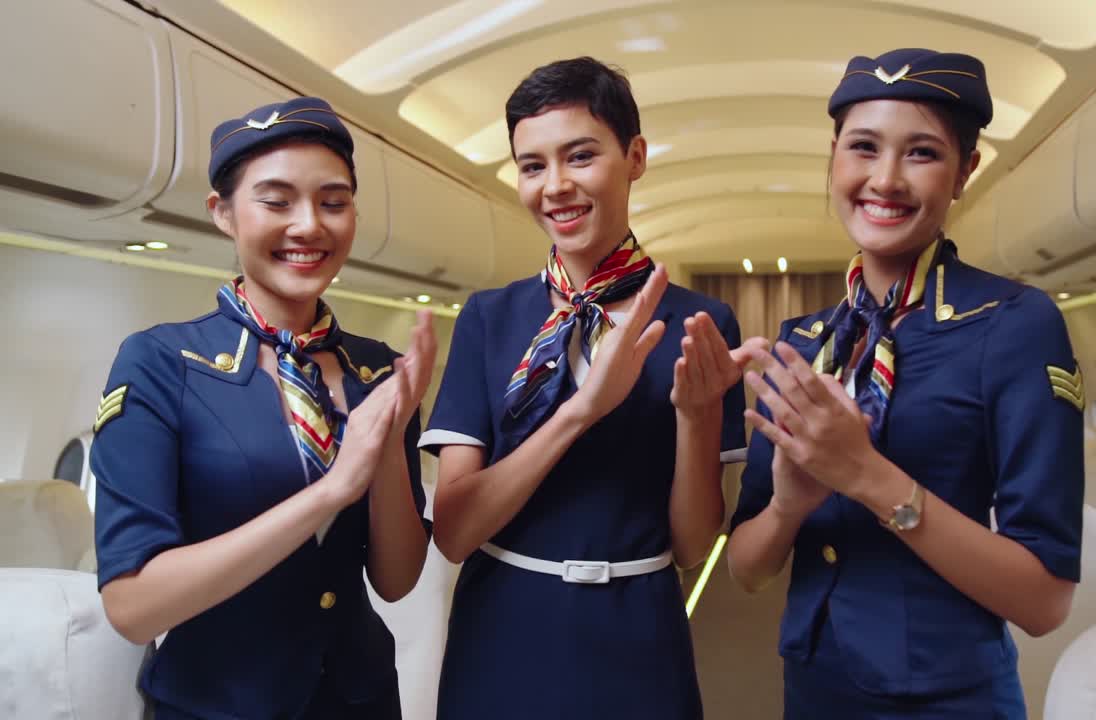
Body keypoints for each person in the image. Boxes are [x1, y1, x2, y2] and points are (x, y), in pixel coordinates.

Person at [726, 48, 1085, 718]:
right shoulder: (805, 343)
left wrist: (865, 475)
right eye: (863, 148)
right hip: (812, 686)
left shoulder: (1013, 326)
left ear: (963, 173)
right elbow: (747, 570)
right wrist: (788, 507)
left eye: (921, 153)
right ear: (834, 157)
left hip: (946, 699)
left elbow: (1044, 602)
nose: (884, 179)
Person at [421, 57, 757, 719]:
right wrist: (581, 412)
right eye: (532, 165)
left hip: (639, 629)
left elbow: (692, 547)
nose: (556, 187)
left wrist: (696, 417)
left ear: (634, 157)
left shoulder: (697, 322)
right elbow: (455, 533)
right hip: (503, 629)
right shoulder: (490, 319)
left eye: (580, 157)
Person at [90, 97, 435, 719]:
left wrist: (384, 448)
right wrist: (330, 493)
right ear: (223, 213)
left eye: (333, 202)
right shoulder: (161, 362)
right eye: (276, 202)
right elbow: (133, 607)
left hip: (360, 701)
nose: (309, 226)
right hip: (215, 706)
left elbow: (396, 580)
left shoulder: (379, 370)